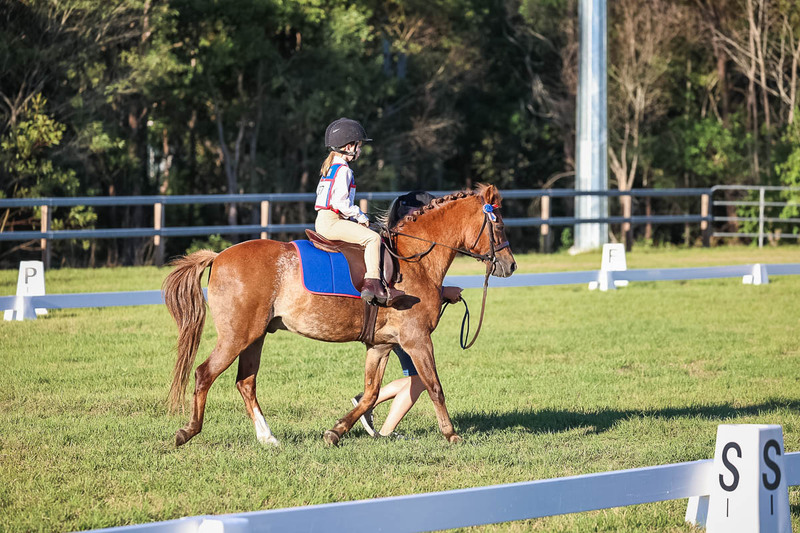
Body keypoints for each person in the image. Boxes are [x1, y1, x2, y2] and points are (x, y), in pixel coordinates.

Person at [351, 190, 463, 439]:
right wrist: (444, 291)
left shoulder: (395, 244)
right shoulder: (403, 249)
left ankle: (369, 402)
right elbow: (410, 285)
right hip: (404, 318)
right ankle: (380, 422)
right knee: (421, 379)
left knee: (417, 378)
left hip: (398, 316)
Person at [314, 117, 404, 305]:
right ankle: (372, 284)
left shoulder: (330, 168)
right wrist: (360, 216)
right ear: (348, 147)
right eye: (358, 146)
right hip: (332, 221)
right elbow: (340, 202)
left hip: (325, 219)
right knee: (373, 238)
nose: (360, 150)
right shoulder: (344, 170)